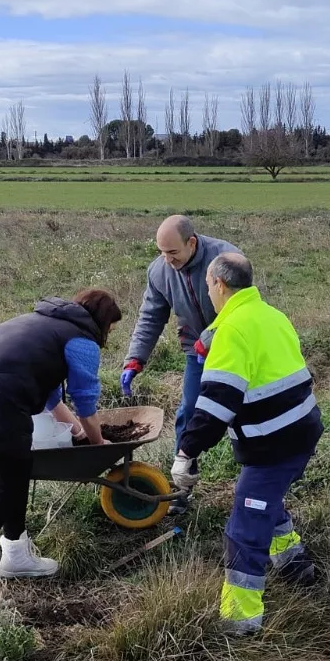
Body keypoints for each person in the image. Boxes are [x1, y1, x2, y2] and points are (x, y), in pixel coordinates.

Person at [0, 288, 125, 610]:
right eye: (111, 328)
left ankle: (15, 554)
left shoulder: (44, 322)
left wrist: (74, 432)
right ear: (102, 322)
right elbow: (85, 399)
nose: (109, 334)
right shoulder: (82, 339)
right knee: (7, 484)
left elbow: (50, 396)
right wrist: (97, 444)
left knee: (15, 471)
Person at [173, 253, 322, 634]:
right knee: (260, 496)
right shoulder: (272, 315)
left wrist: (186, 452)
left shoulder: (233, 331)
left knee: (244, 527)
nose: (208, 291)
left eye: (208, 285)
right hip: (302, 429)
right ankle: (293, 563)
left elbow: (214, 406)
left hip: (275, 443)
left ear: (219, 284)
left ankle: (240, 624)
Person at [120, 215, 240, 514]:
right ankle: (181, 489)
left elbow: (242, 308)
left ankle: (253, 479)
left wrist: (210, 338)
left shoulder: (226, 258)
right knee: (188, 413)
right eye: (162, 252)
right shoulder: (159, 271)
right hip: (194, 352)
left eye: (173, 252)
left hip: (238, 347)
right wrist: (135, 358)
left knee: (244, 412)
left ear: (192, 242)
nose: (167, 259)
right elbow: (151, 316)